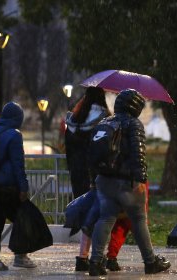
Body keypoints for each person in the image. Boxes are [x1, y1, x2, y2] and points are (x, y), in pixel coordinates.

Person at [89, 89, 171, 276]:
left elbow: (93, 152)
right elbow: (138, 152)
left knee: (105, 218)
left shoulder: (105, 122)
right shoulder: (133, 124)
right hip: (126, 181)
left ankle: (95, 262)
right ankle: (150, 262)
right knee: (139, 219)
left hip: (104, 179)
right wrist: (140, 178)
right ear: (135, 107)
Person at [65, 86, 141, 272]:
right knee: (103, 217)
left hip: (78, 173)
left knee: (88, 216)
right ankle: (100, 258)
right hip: (100, 175)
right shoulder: (105, 120)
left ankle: (83, 257)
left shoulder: (75, 120)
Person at [0, 102, 36, 271]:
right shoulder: (14, 135)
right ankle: (20, 256)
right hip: (9, 187)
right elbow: (18, 164)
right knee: (22, 219)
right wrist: (23, 187)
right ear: (18, 118)